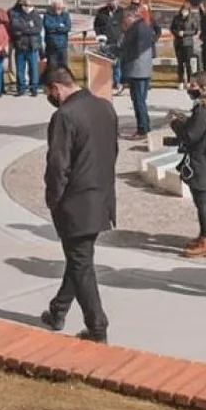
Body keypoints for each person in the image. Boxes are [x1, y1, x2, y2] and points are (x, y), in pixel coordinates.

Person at [39, 67, 118, 343]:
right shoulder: (105, 108)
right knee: (79, 258)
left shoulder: (64, 116)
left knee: (81, 262)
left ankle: (97, 327)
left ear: (55, 88)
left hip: (76, 201)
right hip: (102, 196)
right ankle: (58, 310)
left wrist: (53, 199)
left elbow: (57, 165)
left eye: (49, 93)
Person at [170, 71, 206, 258]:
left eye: (193, 85)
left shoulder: (203, 109)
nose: (189, 88)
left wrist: (176, 123)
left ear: (204, 88)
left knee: (203, 202)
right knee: (203, 201)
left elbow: (191, 135)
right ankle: (203, 235)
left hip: (202, 161)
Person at [117, 9, 154, 142]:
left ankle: (142, 129)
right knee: (142, 101)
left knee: (138, 101)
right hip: (144, 68)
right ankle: (146, 127)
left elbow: (124, 46)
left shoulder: (135, 28)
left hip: (136, 69)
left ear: (130, 18)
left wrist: (124, 33)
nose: (124, 23)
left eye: (125, 20)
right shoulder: (145, 26)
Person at [9, 0, 43, 97]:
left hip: (32, 46)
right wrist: (28, 28)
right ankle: (21, 88)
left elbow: (37, 29)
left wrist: (24, 30)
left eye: (30, 5)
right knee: (20, 69)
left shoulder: (36, 16)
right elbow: (15, 29)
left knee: (33, 68)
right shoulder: (17, 16)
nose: (28, 7)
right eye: (26, 5)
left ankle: (34, 88)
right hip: (20, 46)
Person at [169, 2, 199, 84]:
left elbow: (195, 31)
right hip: (178, 43)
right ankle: (180, 81)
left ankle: (189, 81)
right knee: (180, 63)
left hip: (188, 44)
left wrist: (185, 33)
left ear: (189, 10)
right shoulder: (176, 18)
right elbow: (172, 28)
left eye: (186, 10)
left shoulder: (192, 18)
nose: (184, 11)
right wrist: (177, 33)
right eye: (183, 9)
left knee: (188, 63)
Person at [42, 0, 72, 73]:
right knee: (52, 67)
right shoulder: (47, 15)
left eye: (60, 8)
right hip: (51, 46)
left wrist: (56, 28)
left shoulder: (66, 15)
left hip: (63, 46)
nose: (59, 10)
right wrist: (60, 26)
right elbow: (48, 27)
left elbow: (67, 28)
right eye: (57, 8)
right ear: (53, 7)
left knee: (64, 66)